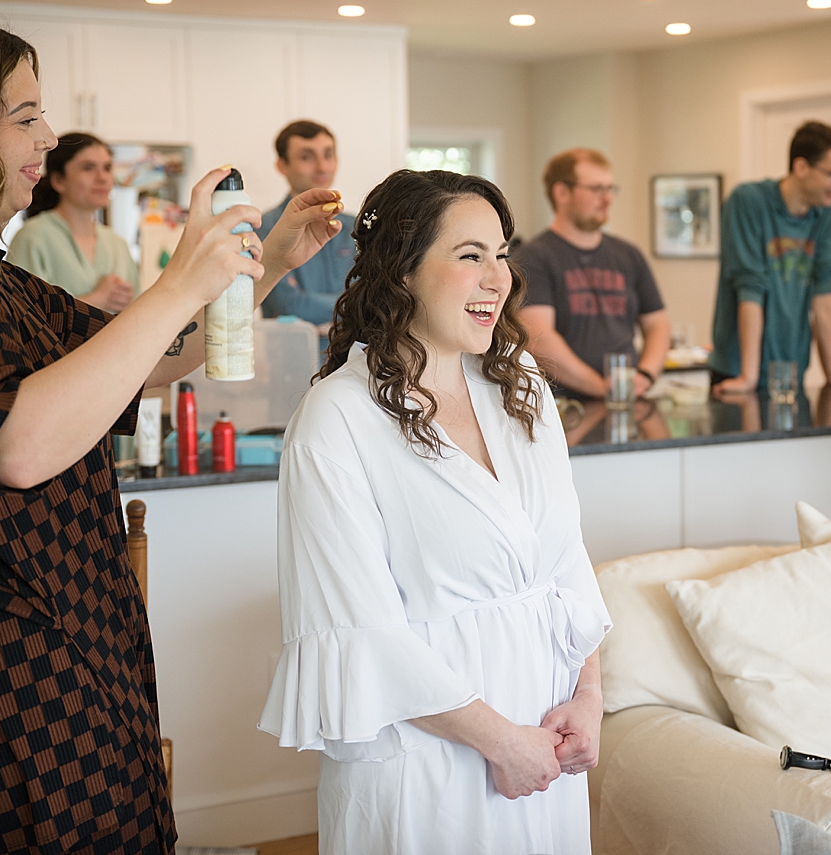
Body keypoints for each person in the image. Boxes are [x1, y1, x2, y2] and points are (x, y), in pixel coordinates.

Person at [0, 7, 342, 852]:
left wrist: (270, 263)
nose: (47, 134)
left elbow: (148, 358)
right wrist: (177, 282)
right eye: (24, 116)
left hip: (37, 667)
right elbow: (18, 444)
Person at [260, 169, 611, 854]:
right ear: (403, 270)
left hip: (546, 741)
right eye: (470, 255)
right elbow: (360, 631)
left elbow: (565, 562)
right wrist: (502, 742)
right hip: (426, 766)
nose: (497, 278)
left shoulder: (521, 386)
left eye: (502, 255)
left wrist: (589, 695)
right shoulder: (338, 420)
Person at [710, 120, 831, 394]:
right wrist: (748, 377)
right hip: (737, 371)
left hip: (790, 371)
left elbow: (825, 286)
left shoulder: (824, 209)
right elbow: (750, 286)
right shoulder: (748, 201)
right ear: (801, 167)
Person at [517, 148, 670, 398]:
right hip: (564, 408)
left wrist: (645, 375)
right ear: (561, 193)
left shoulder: (629, 255)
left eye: (610, 189)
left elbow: (658, 325)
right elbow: (538, 338)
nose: (607, 198)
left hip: (626, 400)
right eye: (596, 189)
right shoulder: (533, 257)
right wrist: (602, 389)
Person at [5, 130, 141, 311]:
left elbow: (139, 312)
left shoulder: (118, 245)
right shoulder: (32, 237)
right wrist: (97, 299)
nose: (102, 178)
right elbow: (21, 316)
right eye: (88, 167)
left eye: (107, 168)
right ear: (58, 180)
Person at [258, 119, 358, 322]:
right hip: (289, 352)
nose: (321, 167)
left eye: (328, 155)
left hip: (353, 353)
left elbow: (377, 298)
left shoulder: (356, 228)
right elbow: (288, 304)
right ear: (282, 166)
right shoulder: (264, 227)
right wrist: (354, 310)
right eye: (307, 157)